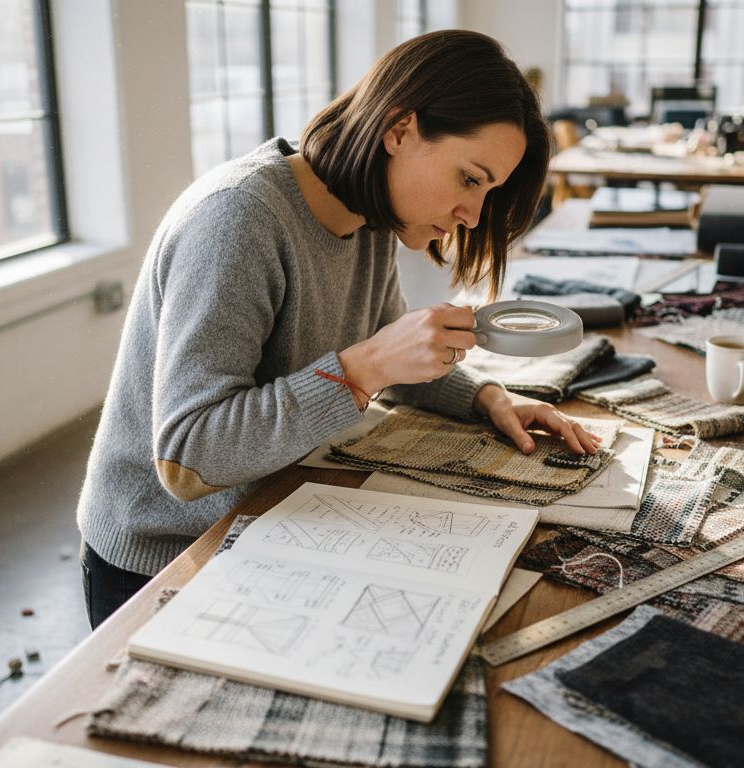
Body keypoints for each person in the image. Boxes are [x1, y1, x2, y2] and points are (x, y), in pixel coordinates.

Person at [76, 29, 602, 629]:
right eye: (469, 178)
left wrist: (487, 397)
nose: (473, 215)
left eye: (490, 192)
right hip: (166, 554)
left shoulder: (370, 215)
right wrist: (365, 367)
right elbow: (189, 458)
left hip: (268, 516)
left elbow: (388, 352)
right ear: (399, 130)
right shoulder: (238, 219)